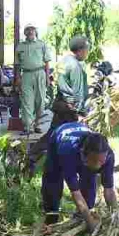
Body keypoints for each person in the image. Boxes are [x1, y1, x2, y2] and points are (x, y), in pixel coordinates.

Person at [28, 36, 90, 174]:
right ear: (80, 50)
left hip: (60, 103)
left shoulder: (64, 61)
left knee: (53, 133)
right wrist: (80, 113)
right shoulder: (75, 66)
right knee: (79, 135)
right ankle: (77, 166)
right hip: (70, 107)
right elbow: (78, 91)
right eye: (87, 49)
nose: (87, 52)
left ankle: (32, 156)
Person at [42, 123, 118, 232]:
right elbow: (75, 193)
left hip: (86, 157)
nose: (100, 165)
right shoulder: (68, 151)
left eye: (102, 162)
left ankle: (79, 220)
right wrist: (91, 226)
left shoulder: (108, 156)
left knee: (88, 191)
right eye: (95, 161)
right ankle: (50, 220)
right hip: (58, 141)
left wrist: (116, 218)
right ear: (83, 154)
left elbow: (109, 191)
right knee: (52, 186)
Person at [16, 24, 53, 133]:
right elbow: (17, 64)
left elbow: (47, 62)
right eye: (28, 29)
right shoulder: (20, 46)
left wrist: (47, 77)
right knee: (27, 101)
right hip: (26, 75)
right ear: (25, 33)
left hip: (40, 74)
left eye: (32, 29)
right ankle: (28, 127)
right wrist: (18, 78)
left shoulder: (42, 44)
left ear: (35, 31)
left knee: (40, 101)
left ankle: (38, 125)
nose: (30, 31)